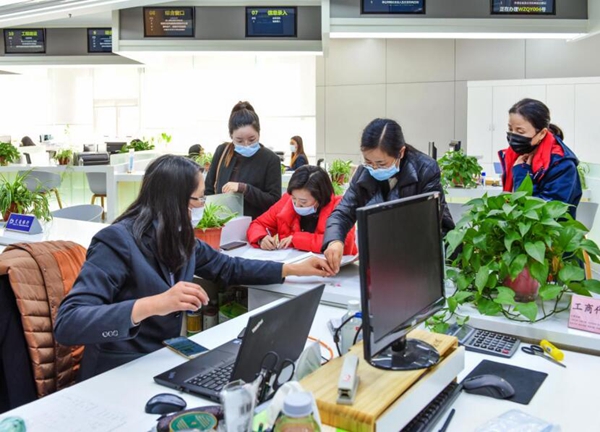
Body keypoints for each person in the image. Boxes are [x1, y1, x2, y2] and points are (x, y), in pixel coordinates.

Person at [54, 155, 333, 379]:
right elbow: (69, 322)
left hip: (160, 361)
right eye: (199, 198)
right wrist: (155, 304)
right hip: (117, 371)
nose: (202, 205)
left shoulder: (181, 238)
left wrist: (292, 269)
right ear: (175, 201)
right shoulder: (117, 241)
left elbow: (229, 268)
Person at [322, 118, 454, 273]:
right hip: (383, 258)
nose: (374, 168)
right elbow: (343, 213)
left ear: (401, 152)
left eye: (381, 163)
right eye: (368, 161)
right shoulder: (364, 173)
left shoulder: (425, 169)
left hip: (421, 258)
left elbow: (427, 225)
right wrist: (334, 241)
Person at [247, 165, 357, 255]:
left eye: (303, 202)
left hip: (335, 269)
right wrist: (261, 238)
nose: (297, 205)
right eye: (294, 199)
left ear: (320, 198)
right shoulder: (286, 202)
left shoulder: (339, 206)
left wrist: (297, 239)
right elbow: (258, 224)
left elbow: (344, 243)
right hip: (293, 266)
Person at [499, 98, 581, 218]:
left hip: (548, 229)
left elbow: (546, 214)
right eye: (511, 129)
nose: (513, 136)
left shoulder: (562, 165)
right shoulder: (515, 155)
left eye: (520, 131)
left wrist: (522, 174)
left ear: (542, 133)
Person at [205, 101, 281, 219]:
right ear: (231, 136)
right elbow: (208, 189)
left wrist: (244, 189)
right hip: (221, 222)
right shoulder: (222, 152)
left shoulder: (270, 159)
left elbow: (274, 201)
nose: (246, 145)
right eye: (239, 140)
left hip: (255, 225)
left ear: (259, 133)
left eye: (252, 139)